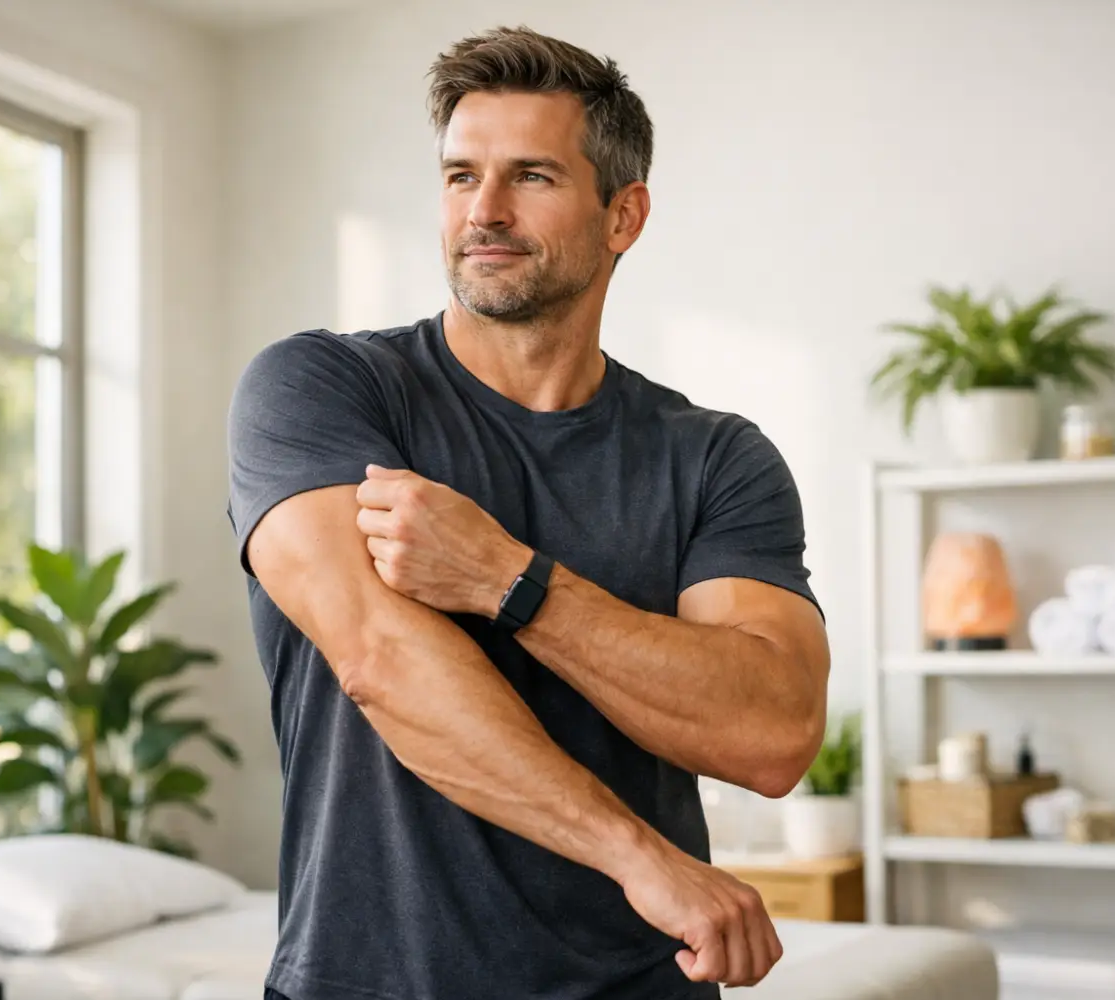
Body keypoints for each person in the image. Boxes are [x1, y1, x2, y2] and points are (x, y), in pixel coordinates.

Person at [226, 24, 830, 1000]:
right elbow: (381, 660)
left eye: (532, 176)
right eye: (461, 176)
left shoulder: (714, 456)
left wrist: (510, 580)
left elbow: (774, 733)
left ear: (623, 215)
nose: (485, 210)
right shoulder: (323, 389)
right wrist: (641, 857)